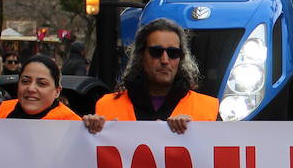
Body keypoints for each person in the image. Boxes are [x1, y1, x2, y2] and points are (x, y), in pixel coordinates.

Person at [82, 19, 217, 134]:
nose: (165, 60)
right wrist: (88, 131)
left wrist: (195, 133)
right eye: (156, 52)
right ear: (141, 56)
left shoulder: (207, 109)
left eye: (173, 53)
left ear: (181, 58)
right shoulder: (106, 107)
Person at [0, 55, 80, 121]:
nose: (31, 89)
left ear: (57, 91)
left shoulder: (74, 124)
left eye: (42, 83)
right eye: (25, 81)